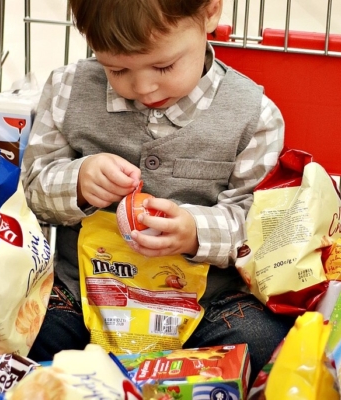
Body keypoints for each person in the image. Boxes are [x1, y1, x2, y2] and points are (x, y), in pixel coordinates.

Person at [21, 0, 294, 381]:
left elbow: (259, 227)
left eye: (164, 66)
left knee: (264, 340)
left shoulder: (254, 116)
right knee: (24, 330)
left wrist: (195, 231)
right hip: (85, 295)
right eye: (117, 69)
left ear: (210, 13)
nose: (143, 87)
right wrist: (79, 181)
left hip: (203, 306)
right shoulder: (68, 90)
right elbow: (34, 187)